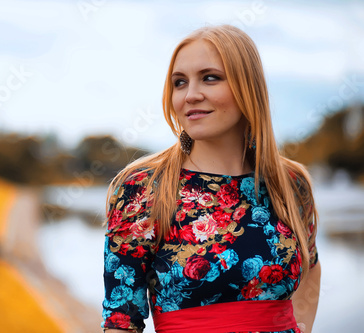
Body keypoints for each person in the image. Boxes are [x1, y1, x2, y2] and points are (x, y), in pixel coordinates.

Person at [101, 25, 321, 333]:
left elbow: (310, 271)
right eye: (180, 83)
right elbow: (121, 323)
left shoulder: (290, 183)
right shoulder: (143, 189)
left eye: (210, 77)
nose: (191, 95)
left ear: (248, 86)